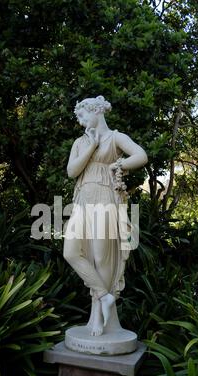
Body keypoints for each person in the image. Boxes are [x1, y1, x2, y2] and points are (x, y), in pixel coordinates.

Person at [63, 95, 148, 336]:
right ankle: (104, 296)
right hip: (82, 199)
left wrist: (119, 165)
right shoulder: (80, 142)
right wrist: (90, 145)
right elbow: (71, 171)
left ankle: (99, 316)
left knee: (101, 257)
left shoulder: (115, 137)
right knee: (71, 252)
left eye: (82, 115)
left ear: (96, 111)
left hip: (106, 199)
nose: (80, 122)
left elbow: (141, 156)